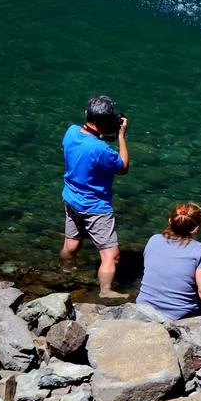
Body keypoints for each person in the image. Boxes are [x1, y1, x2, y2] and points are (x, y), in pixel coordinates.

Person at [60, 95, 130, 299]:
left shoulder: (71, 132)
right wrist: (121, 136)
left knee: (71, 245)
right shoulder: (100, 149)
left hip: (71, 199)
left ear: (86, 114)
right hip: (95, 207)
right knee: (111, 255)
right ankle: (106, 291)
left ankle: (67, 272)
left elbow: (85, 149)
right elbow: (123, 167)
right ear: (105, 122)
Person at [136, 202, 201, 320]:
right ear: (197, 227)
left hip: (143, 308)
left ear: (170, 221)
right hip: (179, 316)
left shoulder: (153, 240)